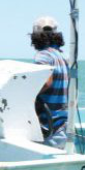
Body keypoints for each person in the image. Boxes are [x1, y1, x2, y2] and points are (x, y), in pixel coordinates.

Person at [30, 15, 70, 149]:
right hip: (63, 125)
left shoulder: (43, 55)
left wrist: (27, 96)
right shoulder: (63, 56)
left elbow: (46, 82)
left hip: (48, 127)